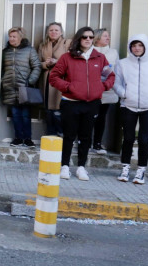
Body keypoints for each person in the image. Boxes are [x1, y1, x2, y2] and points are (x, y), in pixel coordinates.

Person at [49, 26, 115, 181]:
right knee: (69, 136)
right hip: (71, 102)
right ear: (79, 38)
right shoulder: (67, 57)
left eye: (91, 37)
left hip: (91, 103)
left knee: (85, 137)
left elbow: (110, 76)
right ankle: (64, 166)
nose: (88, 40)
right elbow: (54, 77)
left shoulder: (99, 57)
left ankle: (81, 167)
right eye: (85, 37)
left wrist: (103, 86)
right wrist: (68, 87)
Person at [113, 34, 148, 184]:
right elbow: (115, 81)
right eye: (134, 45)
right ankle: (125, 169)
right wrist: (123, 93)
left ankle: (140, 171)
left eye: (140, 45)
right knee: (128, 138)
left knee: (144, 139)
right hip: (128, 105)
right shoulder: (123, 63)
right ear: (130, 47)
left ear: (145, 47)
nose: (137, 48)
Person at [0, 27, 41, 148]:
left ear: (20, 37)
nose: (11, 39)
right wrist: (3, 80)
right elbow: (1, 68)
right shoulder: (5, 51)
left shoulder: (29, 50)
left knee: (25, 115)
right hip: (9, 88)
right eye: (10, 36)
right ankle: (18, 138)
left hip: (24, 87)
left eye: (14, 36)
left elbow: (37, 66)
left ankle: (28, 139)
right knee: (15, 115)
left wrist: (30, 81)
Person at [38, 22, 71, 137]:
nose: (54, 32)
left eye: (56, 30)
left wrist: (57, 62)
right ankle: (50, 135)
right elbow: (38, 63)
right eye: (51, 30)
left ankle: (61, 134)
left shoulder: (67, 43)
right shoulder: (43, 45)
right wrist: (46, 64)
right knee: (48, 110)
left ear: (61, 32)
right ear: (48, 32)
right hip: (46, 80)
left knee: (59, 109)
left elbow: (72, 61)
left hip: (61, 80)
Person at [91, 28, 119, 154]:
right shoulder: (89, 51)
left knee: (101, 117)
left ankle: (97, 143)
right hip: (90, 89)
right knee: (88, 116)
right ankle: (84, 141)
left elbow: (116, 70)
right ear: (97, 38)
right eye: (105, 36)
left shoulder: (113, 52)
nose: (108, 38)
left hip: (106, 90)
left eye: (108, 36)